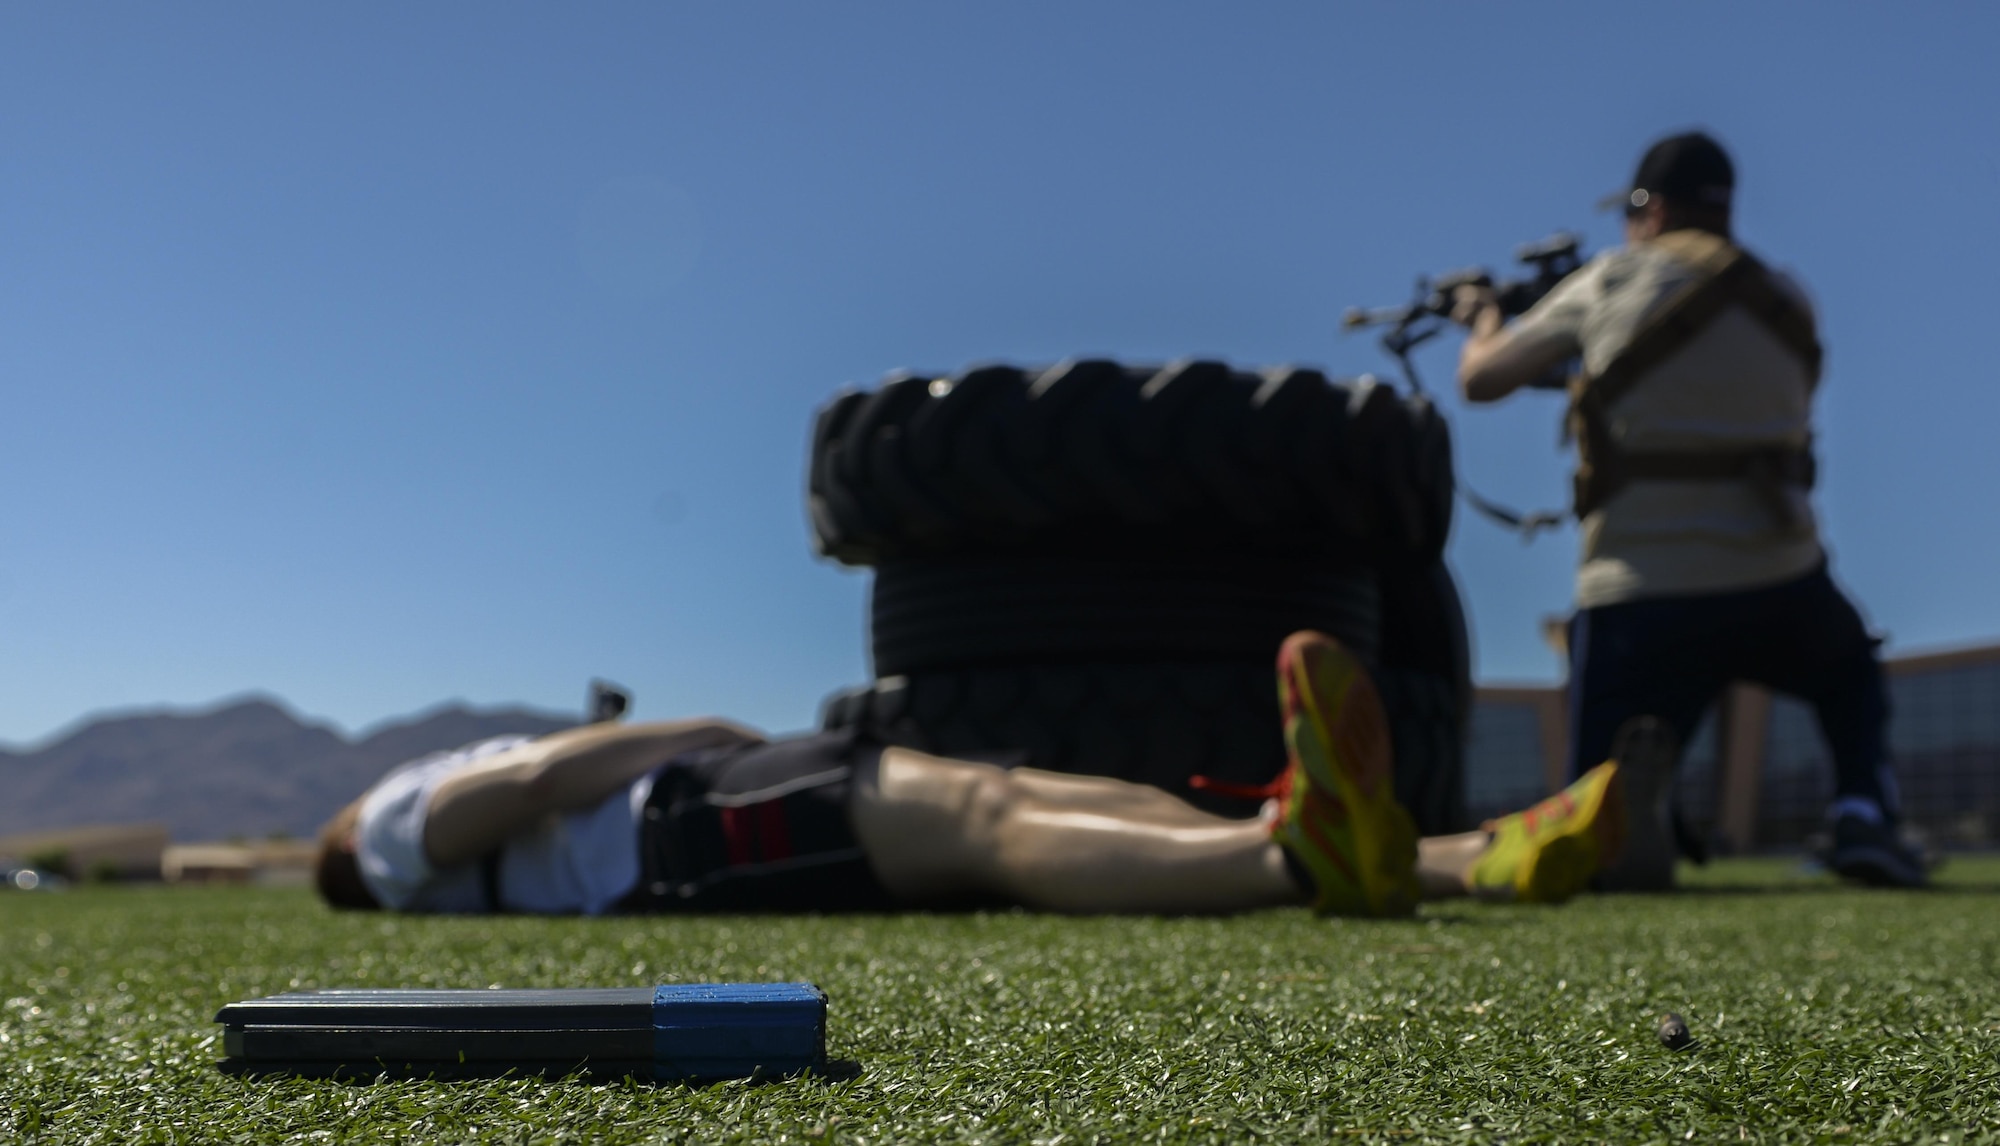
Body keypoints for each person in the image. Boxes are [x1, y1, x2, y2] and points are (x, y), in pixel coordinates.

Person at [314, 632, 1628, 917]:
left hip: (711, 800)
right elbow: (529, 790)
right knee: (996, 821)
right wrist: (676, 733)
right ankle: (1293, 856)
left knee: (1056, 790)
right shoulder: (375, 833)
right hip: (687, 835)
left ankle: (1473, 854)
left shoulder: (384, 822)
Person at [1450, 130, 1923, 888]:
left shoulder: (1609, 281)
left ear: (1651, 207)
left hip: (1639, 589)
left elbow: (1481, 381)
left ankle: (1634, 825)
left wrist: (1482, 315)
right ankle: (1864, 811)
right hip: (1779, 576)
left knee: (1594, 814)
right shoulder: (1787, 297)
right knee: (1849, 671)